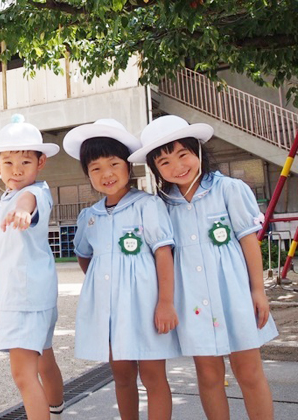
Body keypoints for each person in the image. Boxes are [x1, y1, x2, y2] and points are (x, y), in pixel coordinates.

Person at [129, 115, 278, 420]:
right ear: (155, 169)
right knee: (209, 377)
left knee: (248, 372)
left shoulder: (229, 190)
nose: (177, 167)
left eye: (183, 154)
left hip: (233, 295)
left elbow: (249, 243)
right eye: (165, 162)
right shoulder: (159, 205)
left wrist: (258, 290)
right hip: (192, 302)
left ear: (198, 151)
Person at [63, 119, 181, 419]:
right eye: (96, 168)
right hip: (111, 315)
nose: (107, 174)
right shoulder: (90, 216)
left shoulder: (147, 206)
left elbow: (164, 253)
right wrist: (102, 288)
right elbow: (84, 255)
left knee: (154, 377)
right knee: (122, 377)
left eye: (114, 164)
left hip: (146, 308)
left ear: (128, 167)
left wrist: (166, 303)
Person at [0, 114, 64, 420]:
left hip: (23, 296)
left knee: (22, 374)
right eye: (8, 163)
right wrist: (4, 175)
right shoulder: (10, 190)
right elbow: (14, 188)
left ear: (41, 163)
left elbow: (26, 201)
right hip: (36, 293)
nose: (17, 170)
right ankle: (55, 409)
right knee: (44, 358)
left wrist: (24, 214)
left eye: (25, 163)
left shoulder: (34, 193)